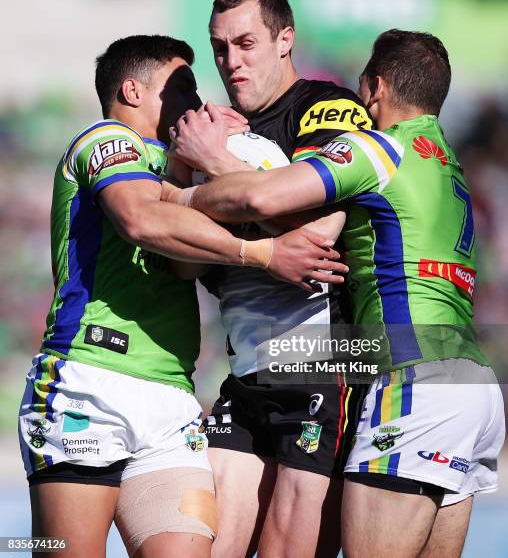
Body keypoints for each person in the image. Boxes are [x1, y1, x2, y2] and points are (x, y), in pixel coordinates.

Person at [170, 29, 505, 558]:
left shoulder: (380, 147)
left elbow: (262, 195)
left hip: (413, 378)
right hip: (476, 388)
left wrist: (185, 181)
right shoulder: (448, 165)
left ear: (373, 88)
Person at [18, 34, 347, 558]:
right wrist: (263, 254)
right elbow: (141, 218)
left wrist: (198, 162)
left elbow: (185, 264)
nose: (196, 102)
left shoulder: (170, 161)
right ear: (132, 90)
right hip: (87, 382)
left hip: (171, 400)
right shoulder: (103, 139)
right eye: (183, 88)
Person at [170, 0, 373, 558]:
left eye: (246, 43)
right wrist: (185, 175)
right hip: (246, 370)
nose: (230, 62)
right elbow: (184, 269)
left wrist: (212, 166)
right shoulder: (216, 129)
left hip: (322, 363)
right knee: (206, 547)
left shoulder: (327, 108)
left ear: (286, 39)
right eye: (219, 47)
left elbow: (313, 237)